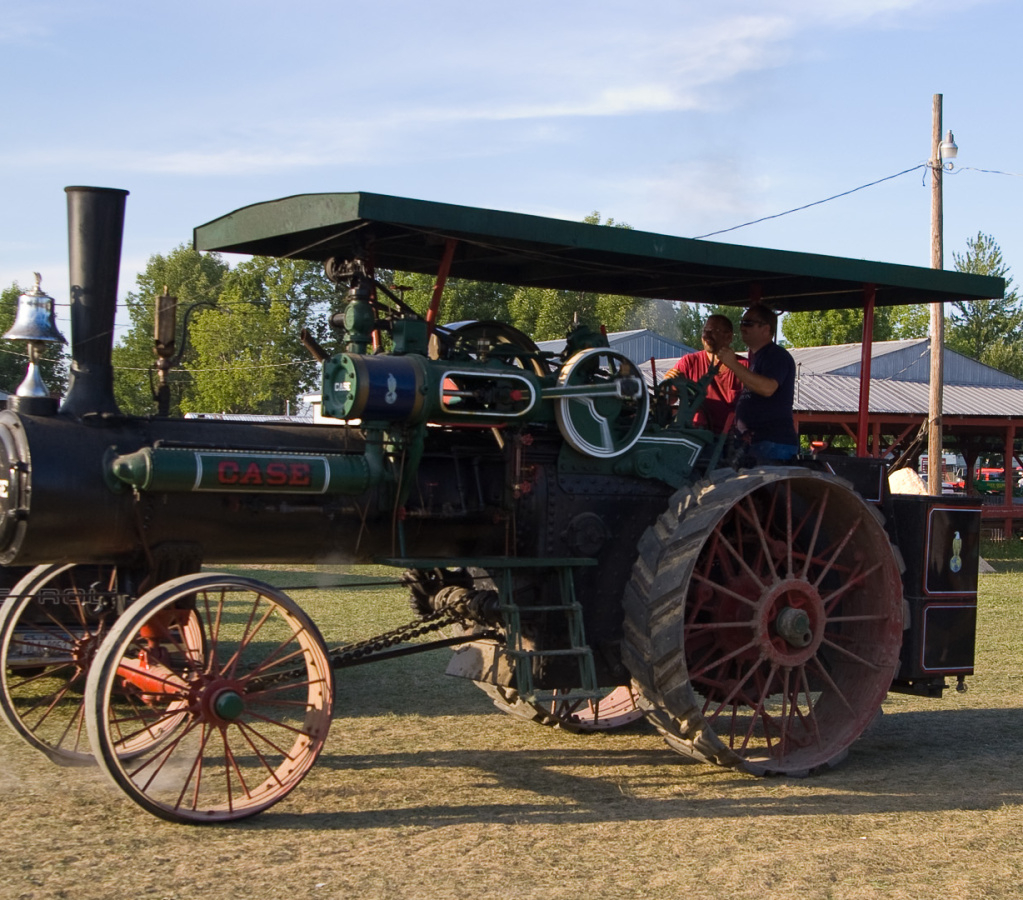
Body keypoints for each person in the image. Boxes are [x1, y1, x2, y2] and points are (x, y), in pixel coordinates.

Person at [716, 303, 799, 464]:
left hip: (772, 443)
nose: (742, 327)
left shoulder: (776, 355)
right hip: (756, 443)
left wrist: (733, 364)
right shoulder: (757, 359)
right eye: (741, 323)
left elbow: (768, 388)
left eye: (748, 323)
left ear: (766, 329)